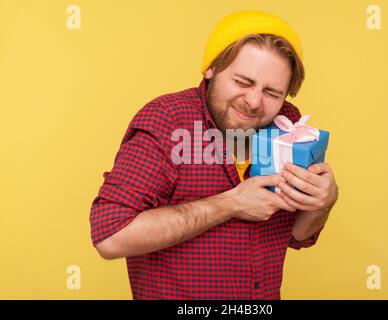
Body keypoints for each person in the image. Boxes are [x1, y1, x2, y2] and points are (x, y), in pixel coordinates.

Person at [89, 10, 338, 300]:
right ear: (211, 68)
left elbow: (296, 235)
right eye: (243, 82)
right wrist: (231, 203)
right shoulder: (166, 120)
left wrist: (322, 202)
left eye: (272, 92)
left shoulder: (288, 126)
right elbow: (111, 236)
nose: (254, 101)